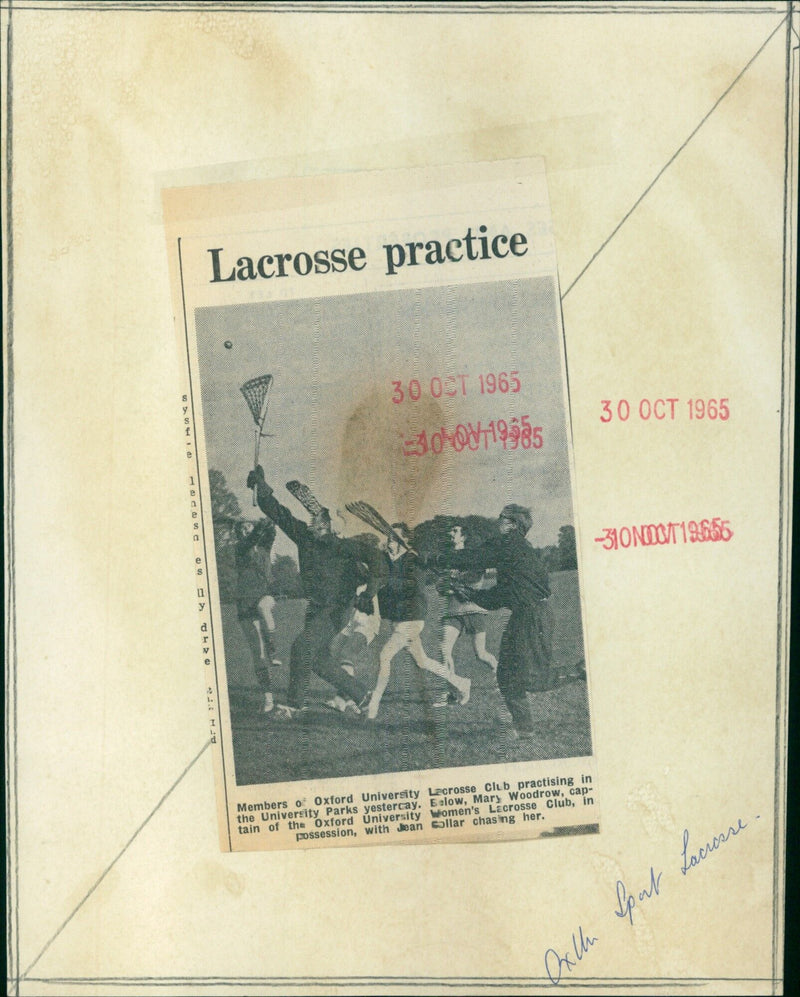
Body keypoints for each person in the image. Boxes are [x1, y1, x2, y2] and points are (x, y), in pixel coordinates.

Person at [247, 465, 378, 717]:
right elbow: (280, 514)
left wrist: (368, 591)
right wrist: (262, 489)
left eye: (320, 521)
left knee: (300, 648)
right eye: (314, 520)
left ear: (332, 529)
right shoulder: (306, 538)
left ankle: (294, 705)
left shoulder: (344, 549)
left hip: (337, 610)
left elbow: (375, 567)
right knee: (318, 660)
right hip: (316, 608)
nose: (314, 524)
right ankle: (362, 696)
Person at [435, 504, 554, 739]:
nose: (497, 521)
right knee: (507, 675)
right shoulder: (516, 550)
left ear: (512, 524)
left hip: (532, 616)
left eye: (501, 518)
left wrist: (437, 558)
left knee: (530, 678)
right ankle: (524, 729)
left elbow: (473, 557)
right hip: (526, 615)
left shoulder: (509, 544)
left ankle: (581, 671)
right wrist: (467, 592)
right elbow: (499, 596)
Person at [367, 523, 471, 720]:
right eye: (389, 538)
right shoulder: (387, 560)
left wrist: (384, 582)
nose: (390, 542)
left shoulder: (413, 559)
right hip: (398, 620)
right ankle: (461, 682)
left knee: (384, 655)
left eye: (394, 538)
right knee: (422, 661)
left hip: (413, 619)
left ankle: (373, 704)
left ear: (404, 541)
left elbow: (411, 586)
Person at [438, 523, 498, 677]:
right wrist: (446, 586)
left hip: (473, 609)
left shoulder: (473, 555)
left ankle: (501, 676)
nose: (450, 532)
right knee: (444, 651)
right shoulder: (447, 559)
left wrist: (456, 582)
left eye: (455, 531)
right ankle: (454, 687)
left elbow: (476, 578)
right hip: (453, 611)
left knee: (481, 654)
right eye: (450, 529)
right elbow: (440, 586)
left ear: (463, 537)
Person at [234, 518, 280, 714]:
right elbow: (251, 539)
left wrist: (270, 523)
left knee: (264, 608)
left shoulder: (264, 547)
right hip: (245, 603)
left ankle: (274, 649)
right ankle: (268, 697)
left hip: (265, 594)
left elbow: (271, 533)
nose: (245, 530)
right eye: (242, 528)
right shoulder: (240, 548)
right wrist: (258, 527)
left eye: (248, 526)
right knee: (258, 657)